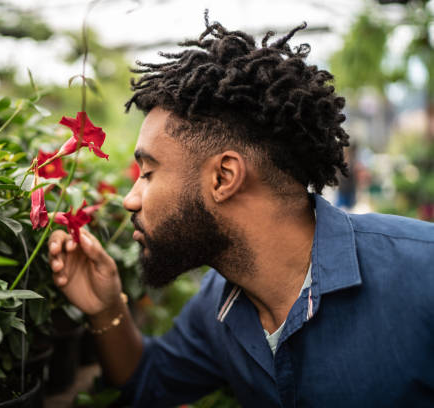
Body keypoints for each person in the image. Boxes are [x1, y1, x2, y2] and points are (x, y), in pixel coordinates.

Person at [47, 13, 434, 408]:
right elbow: (152, 379)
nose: (130, 198)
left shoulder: (423, 272)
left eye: (148, 172)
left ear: (223, 177)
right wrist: (106, 308)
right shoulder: (221, 301)